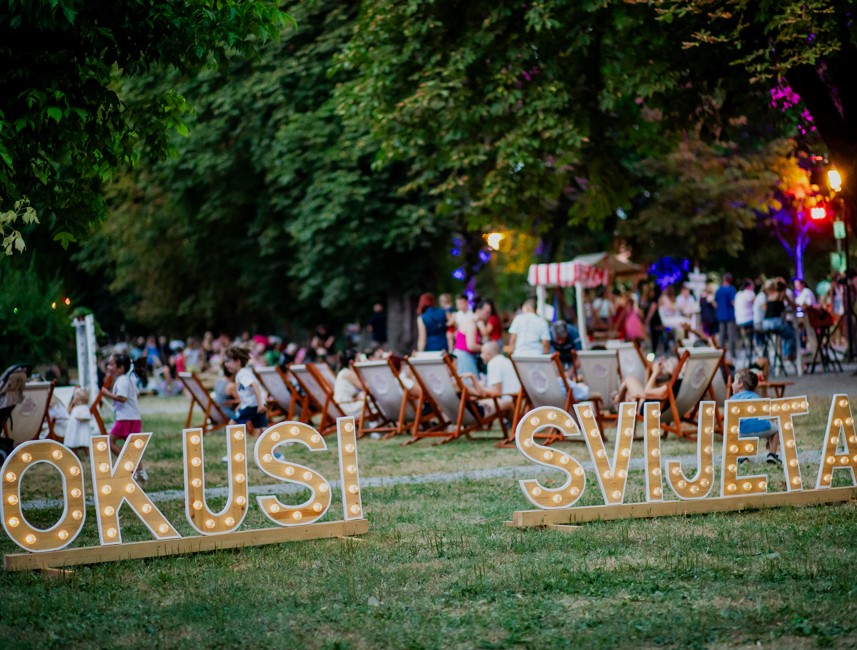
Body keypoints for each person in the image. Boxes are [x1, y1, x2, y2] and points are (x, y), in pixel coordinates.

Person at [101, 353, 147, 481]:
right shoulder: (128, 380)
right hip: (134, 418)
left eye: (111, 364)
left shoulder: (122, 381)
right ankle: (140, 472)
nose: (108, 367)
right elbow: (136, 396)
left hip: (125, 419)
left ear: (120, 368)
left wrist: (107, 394)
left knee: (109, 442)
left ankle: (127, 461)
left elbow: (122, 398)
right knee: (132, 448)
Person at [732, 368, 781, 466]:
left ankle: (743, 458)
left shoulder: (733, 399)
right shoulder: (757, 397)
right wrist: (768, 437)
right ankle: (772, 454)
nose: (732, 384)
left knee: (733, 430)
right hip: (763, 428)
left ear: (740, 384)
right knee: (776, 430)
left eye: (734, 381)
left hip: (743, 433)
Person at [462, 341, 520, 418]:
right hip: (517, 398)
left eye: (482, 353)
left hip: (510, 400)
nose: (481, 356)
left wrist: (475, 384)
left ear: (489, 354)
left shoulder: (493, 363)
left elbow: (496, 392)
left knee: (474, 401)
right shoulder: (504, 360)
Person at [223, 345, 267, 433]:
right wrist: (240, 405)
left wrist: (260, 404)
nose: (226, 364)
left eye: (228, 361)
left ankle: (235, 446)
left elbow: (255, 386)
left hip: (251, 406)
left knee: (232, 424)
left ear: (237, 362)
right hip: (255, 405)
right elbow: (247, 393)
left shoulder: (242, 374)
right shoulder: (244, 372)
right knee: (263, 431)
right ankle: (273, 447)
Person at [454, 300, 491, 376]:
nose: (488, 315)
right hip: (465, 358)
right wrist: (486, 348)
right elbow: (471, 346)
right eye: (486, 312)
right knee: (470, 382)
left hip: (465, 357)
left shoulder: (473, 323)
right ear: (478, 311)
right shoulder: (471, 324)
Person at [63, 387, 96, 459]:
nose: (74, 398)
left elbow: (87, 417)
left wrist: (80, 419)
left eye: (75, 397)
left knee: (84, 443)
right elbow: (67, 413)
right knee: (73, 443)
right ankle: (74, 457)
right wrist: (71, 404)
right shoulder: (74, 407)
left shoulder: (84, 407)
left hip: (81, 429)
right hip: (74, 429)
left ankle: (90, 457)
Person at [333, 349, 365, 418]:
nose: (360, 362)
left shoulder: (344, 372)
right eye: (359, 360)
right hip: (348, 407)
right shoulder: (348, 373)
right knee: (375, 402)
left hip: (344, 405)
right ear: (351, 362)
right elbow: (366, 388)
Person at [714, 273, 738, 360]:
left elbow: (715, 303)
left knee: (722, 337)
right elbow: (733, 302)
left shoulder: (719, 290)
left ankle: (721, 355)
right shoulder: (731, 289)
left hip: (720, 316)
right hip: (730, 315)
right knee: (731, 336)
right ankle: (733, 354)